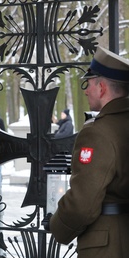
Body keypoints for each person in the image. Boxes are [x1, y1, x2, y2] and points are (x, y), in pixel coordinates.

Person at [46, 47, 129, 257]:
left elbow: (83, 204)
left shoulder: (98, 132)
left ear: (101, 88)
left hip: (108, 244)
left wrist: (57, 225)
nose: (85, 90)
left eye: (88, 84)